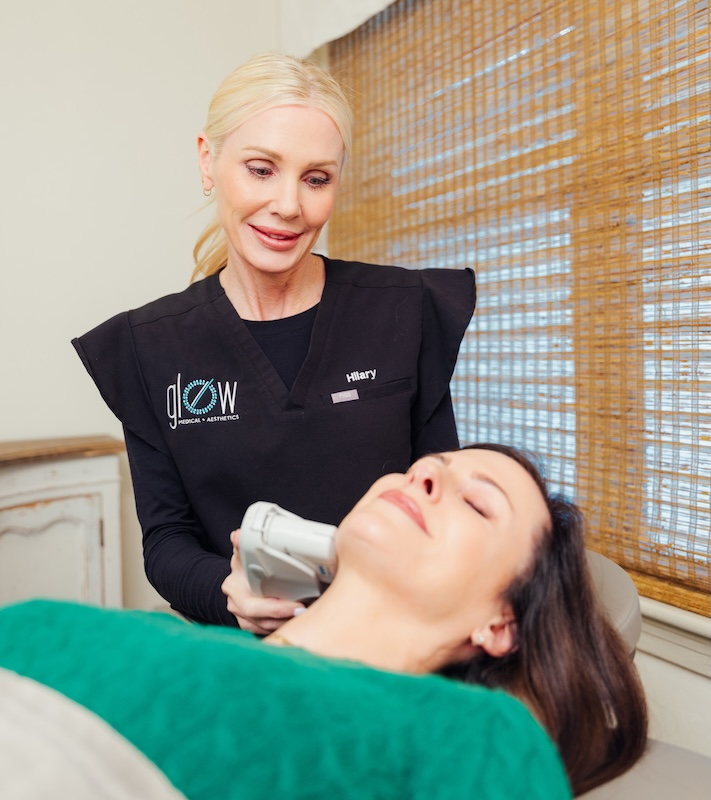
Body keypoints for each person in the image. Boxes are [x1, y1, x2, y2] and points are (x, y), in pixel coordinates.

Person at [71, 52, 476, 629]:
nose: (289, 205)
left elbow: (442, 500)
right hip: (242, 661)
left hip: (386, 641)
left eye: (317, 179)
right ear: (208, 162)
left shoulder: (404, 310)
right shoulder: (148, 348)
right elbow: (167, 540)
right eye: (261, 169)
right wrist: (231, 595)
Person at [0, 445, 646, 797]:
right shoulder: (162, 631)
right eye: (428, 467)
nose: (423, 476)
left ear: (500, 623)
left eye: (476, 504)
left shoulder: (480, 735)